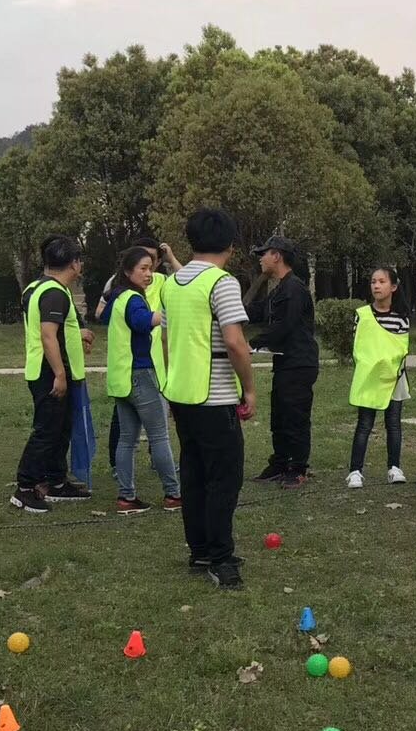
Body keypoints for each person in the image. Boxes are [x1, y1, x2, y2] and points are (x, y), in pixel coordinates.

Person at [161, 208, 255, 590]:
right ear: (230, 245)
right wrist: (249, 388)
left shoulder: (172, 283)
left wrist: (172, 382)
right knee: (224, 478)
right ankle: (220, 557)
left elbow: (166, 340)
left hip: (181, 393)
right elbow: (235, 342)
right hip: (215, 398)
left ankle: (200, 549)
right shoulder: (222, 283)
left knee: (194, 473)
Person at [11, 235, 95, 513]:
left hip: (52, 370)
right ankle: (25, 488)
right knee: (46, 431)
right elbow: (48, 336)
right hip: (49, 373)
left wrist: (78, 333)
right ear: (74, 263)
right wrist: (59, 374)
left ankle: (56, 482)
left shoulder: (37, 287)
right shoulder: (54, 293)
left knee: (61, 429)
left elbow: (52, 328)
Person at [104, 246, 181, 515]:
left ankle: (126, 497)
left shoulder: (117, 296)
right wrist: (171, 313)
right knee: (159, 436)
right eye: (143, 269)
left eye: (151, 268)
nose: (149, 274)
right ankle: (174, 494)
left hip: (121, 379)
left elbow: (106, 317)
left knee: (127, 440)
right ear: (128, 272)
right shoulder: (134, 299)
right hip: (141, 375)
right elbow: (142, 321)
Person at [248, 236, 319, 488]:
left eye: (264, 253)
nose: (261, 259)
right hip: (284, 363)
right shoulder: (280, 289)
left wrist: (251, 344)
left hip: (299, 364)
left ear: (276, 256)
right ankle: (279, 463)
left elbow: (284, 326)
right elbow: (259, 312)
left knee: (295, 417)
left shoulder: (294, 289)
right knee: (279, 417)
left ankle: (297, 468)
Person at [347, 266, 410, 488]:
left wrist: (390, 370)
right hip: (369, 378)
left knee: (393, 423)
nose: (376, 286)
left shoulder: (401, 317)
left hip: (394, 379)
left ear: (393, 287)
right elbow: (359, 348)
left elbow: (400, 350)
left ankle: (394, 467)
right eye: (373, 281)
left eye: (382, 281)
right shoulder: (362, 315)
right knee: (364, 424)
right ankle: (355, 471)